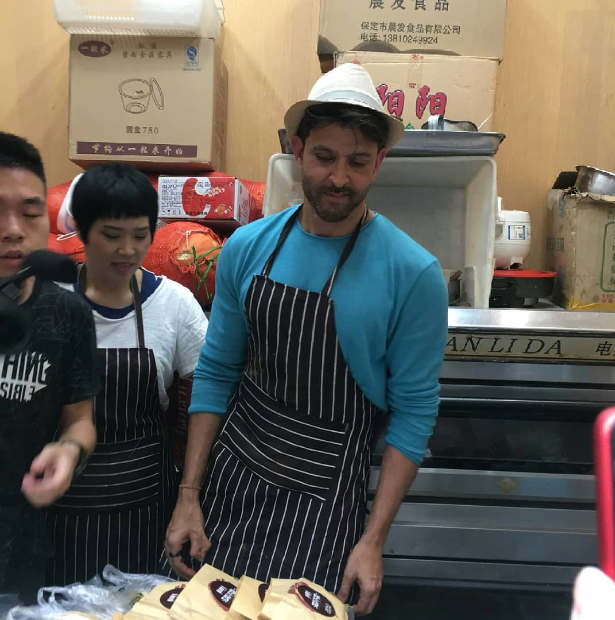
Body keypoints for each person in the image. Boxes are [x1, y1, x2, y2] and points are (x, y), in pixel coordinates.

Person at [164, 63, 449, 615]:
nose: (339, 177)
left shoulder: (413, 274)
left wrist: (372, 541)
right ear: (298, 150)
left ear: (379, 162)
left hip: (324, 506)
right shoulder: (248, 247)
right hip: (231, 483)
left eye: (358, 162)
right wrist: (188, 497)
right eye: (324, 157)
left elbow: (414, 414)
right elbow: (218, 371)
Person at [47, 163, 209, 585]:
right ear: (81, 232)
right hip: (63, 509)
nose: (127, 250)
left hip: (146, 508)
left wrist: (189, 497)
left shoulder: (175, 305)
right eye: (112, 235)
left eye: (140, 235)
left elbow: (206, 402)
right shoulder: (51, 302)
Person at [0, 132, 98, 601]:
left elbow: (80, 421)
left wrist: (68, 452)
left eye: (31, 212)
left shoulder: (68, 313)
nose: (13, 229)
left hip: (23, 545)